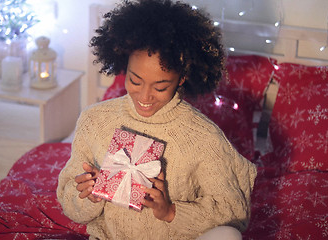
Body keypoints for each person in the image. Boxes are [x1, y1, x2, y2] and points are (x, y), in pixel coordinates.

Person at [57, 0, 257, 239]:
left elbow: (233, 211)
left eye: (160, 87)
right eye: (135, 80)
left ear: (181, 78)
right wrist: (89, 195)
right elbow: (70, 204)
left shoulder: (204, 137)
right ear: (124, 64)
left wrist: (171, 211)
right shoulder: (95, 120)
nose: (144, 97)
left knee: (228, 236)